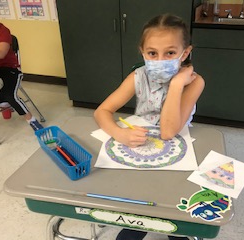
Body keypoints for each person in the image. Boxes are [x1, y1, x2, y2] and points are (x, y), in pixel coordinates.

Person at [94, 13, 204, 240]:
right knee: (141, 202)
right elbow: (102, 111)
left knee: (174, 209)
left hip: (177, 148)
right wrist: (119, 134)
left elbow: (168, 131)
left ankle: (174, 225)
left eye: (170, 53)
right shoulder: (138, 76)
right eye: (152, 53)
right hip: (140, 146)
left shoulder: (194, 82)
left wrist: (176, 84)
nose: (160, 59)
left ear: (185, 53)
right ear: (142, 52)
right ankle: (139, 220)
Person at [0, 0, 43, 131]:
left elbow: (1, 53)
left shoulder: (3, 31)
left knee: (10, 96)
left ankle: (33, 122)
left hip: (9, 69)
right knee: (1, 96)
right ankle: (0, 100)